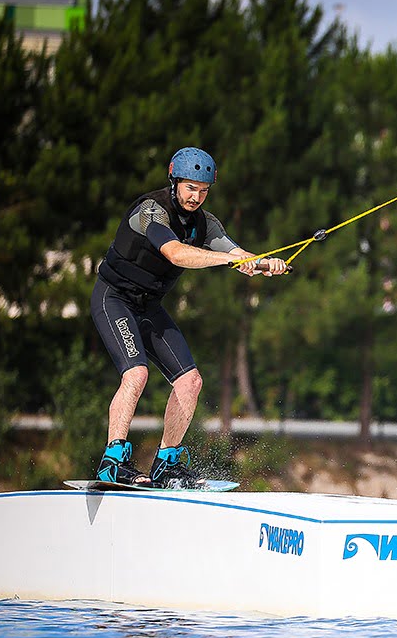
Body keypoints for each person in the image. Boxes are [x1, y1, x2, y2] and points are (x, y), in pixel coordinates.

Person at [89, 147, 288, 487]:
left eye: (204, 190)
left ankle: (166, 463)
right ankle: (113, 460)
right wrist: (229, 261)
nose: (196, 196)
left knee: (190, 382)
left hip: (148, 306)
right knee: (136, 375)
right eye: (190, 188)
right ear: (175, 181)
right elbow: (175, 253)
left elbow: (236, 253)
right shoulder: (151, 211)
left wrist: (265, 263)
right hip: (114, 299)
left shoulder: (205, 224)